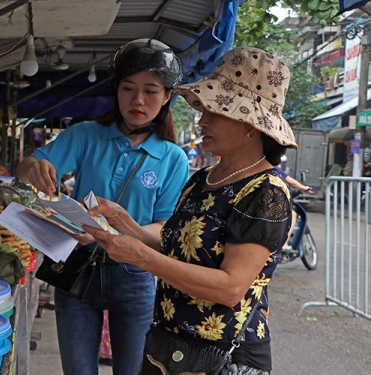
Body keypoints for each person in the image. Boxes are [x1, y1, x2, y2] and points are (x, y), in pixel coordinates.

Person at [82, 47, 296, 375]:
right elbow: (174, 249)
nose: (202, 120)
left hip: (220, 357)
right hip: (168, 347)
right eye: (204, 109)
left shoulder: (266, 193)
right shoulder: (203, 179)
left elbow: (230, 287)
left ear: (251, 125)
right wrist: (123, 222)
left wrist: (139, 256)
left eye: (217, 112)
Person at [16, 38, 190, 375]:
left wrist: (122, 229)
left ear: (167, 96)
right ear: (117, 90)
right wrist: (32, 168)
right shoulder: (85, 135)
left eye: (151, 90)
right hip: (78, 267)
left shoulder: (173, 158)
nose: (137, 100)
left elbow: (163, 228)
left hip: (136, 275)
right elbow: (26, 168)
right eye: (128, 88)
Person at [276, 155, 310, 250]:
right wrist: (303, 187)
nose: (283, 164)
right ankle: (284, 243)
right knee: (293, 215)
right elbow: (291, 181)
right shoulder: (273, 168)